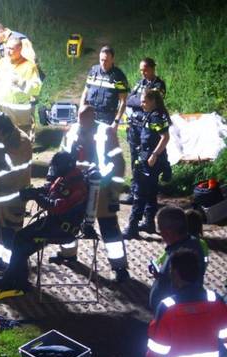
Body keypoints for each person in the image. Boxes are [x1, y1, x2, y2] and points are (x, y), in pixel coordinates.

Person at [0, 152, 88, 291]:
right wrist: (33, 192)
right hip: (54, 222)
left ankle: (13, 280)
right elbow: (50, 190)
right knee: (20, 239)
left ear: (66, 166)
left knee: (22, 240)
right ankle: (17, 279)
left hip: (63, 229)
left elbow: (57, 206)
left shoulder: (76, 185)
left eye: (57, 166)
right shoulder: (66, 178)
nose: (54, 169)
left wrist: (36, 196)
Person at [56, 105, 129, 283]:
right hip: (76, 185)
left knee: (109, 228)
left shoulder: (106, 132)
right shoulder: (73, 130)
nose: (82, 123)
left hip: (101, 187)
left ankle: (119, 268)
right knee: (69, 221)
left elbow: (118, 163)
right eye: (80, 119)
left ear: (93, 117)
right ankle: (68, 254)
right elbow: (62, 156)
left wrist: (114, 192)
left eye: (85, 119)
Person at [0, 113, 32, 271]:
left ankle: (12, 265)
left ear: (3, 129)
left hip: (14, 196)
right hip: (1, 196)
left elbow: (5, 165)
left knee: (10, 230)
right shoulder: (5, 137)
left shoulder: (21, 141)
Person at [123, 89, 170, 238]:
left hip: (151, 160)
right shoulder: (150, 114)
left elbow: (165, 137)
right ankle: (149, 223)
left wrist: (154, 155)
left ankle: (132, 227)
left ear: (153, 101)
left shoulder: (157, 117)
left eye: (144, 101)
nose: (141, 104)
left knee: (139, 193)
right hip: (146, 158)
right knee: (150, 192)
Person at [122, 57, 167, 205]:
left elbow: (151, 101)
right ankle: (134, 192)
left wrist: (138, 100)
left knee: (145, 161)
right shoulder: (140, 83)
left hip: (148, 129)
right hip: (134, 127)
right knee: (134, 159)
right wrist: (139, 101)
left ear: (152, 69)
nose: (143, 73)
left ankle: (147, 196)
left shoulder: (158, 85)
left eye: (145, 70)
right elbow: (129, 100)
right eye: (141, 70)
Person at [148, 206, 208, 310]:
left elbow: (183, 287)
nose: (161, 234)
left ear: (169, 231)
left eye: (160, 229)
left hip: (174, 315)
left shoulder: (184, 254)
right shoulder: (189, 243)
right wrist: (161, 277)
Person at [0, 37, 41, 137]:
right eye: (7, 48)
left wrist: (22, 83)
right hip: (2, 108)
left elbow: (36, 88)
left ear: (20, 49)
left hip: (19, 112)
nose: (8, 51)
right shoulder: (3, 62)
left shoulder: (29, 65)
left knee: (21, 138)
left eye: (12, 49)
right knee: (1, 136)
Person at [80, 46, 129, 128]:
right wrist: (81, 111)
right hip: (90, 115)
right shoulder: (93, 71)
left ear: (112, 60)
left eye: (106, 60)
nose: (103, 63)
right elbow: (85, 93)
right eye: (101, 60)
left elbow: (123, 102)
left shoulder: (118, 77)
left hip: (107, 118)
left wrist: (116, 122)